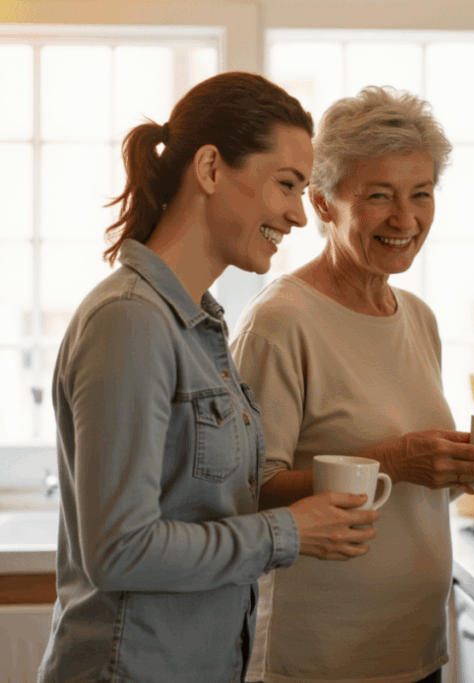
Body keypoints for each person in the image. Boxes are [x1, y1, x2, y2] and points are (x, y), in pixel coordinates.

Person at [39, 72, 381, 683]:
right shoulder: (131, 321)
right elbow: (120, 550)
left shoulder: (201, 324)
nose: (298, 216)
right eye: (286, 184)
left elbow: (203, 505)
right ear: (210, 168)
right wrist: (289, 533)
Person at [230, 86, 474, 683]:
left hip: (413, 649)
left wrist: (464, 467)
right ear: (322, 204)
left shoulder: (418, 318)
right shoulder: (281, 321)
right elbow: (248, 493)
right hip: (315, 660)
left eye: (420, 194)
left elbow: (412, 496)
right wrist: (393, 461)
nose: (406, 218)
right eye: (379, 196)